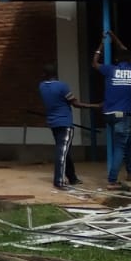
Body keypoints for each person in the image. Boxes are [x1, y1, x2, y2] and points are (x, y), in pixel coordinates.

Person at [92, 31, 131, 188]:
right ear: (130, 59)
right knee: (120, 146)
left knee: (126, 142)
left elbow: (94, 63)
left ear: (117, 60)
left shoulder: (110, 69)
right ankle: (112, 180)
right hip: (123, 114)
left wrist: (101, 43)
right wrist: (115, 38)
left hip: (109, 113)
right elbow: (126, 51)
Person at [38, 63, 88, 192]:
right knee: (62, 152)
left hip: (53, 123)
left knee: (65, 151)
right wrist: (96, 106)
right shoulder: (62, 86)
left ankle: (72, 178)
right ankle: (59, 181)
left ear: (44, 74)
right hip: (65, 123)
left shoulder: (42, 86)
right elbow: (75, 104)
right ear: (56, 74)